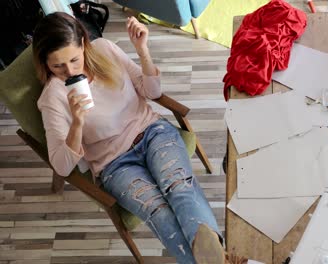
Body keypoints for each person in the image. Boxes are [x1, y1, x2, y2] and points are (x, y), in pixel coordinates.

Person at [32, 12, 228, 263]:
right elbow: (61, 165)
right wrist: (77, 123)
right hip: (115, 165)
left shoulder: (104, 49)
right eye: (57, 65)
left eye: (73, 59)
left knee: (178, 186)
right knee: (160, 213)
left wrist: (142, 50)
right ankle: (220, 258)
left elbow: (152, 91)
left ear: (83, 43)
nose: (69, 71)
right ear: (45, 63)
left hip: (152, 132)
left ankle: (215, 258)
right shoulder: (52, 98)